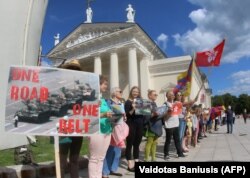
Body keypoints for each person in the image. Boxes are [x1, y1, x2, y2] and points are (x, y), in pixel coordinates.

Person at [59, 60, 84, 178]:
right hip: (63, 125)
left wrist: (95, 104)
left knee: (74, 158)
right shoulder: (61, 85)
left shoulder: (82, 86)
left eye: (76, 69)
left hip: (78, 125)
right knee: (62, 160)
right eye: (71, 69)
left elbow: (87, 105)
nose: (74, 71)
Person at [88, 75, 113, 178]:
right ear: (97, 84)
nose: (106, 86)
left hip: (107, 130)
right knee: (94, 158)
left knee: (101, 158)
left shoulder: (102, 100)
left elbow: (106, 113)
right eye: (104, 84)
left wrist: (116, 116)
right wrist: (103, 114)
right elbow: (89, 116)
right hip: (96, 131)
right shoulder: (91, 98)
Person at [102, 87, 127, 178]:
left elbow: (123, 114)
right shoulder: (108, 102)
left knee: (117, 151)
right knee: (110, 150)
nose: (121, 93)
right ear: (114, 93)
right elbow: (107, 114)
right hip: (111, 128)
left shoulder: (121, 103)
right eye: (120, 91)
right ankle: (105, 171)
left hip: (120, 128)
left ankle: (113, 169)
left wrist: (124, 117)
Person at [125, 86, 144, 171]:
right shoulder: (128, 102)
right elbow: (127, 115)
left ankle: (136, 160)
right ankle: (129, 163)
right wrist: (133, 107)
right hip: (131, 124)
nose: (135, 93)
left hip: (140, 124)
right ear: (131, 92)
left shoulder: (141, 101)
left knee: (137, 143)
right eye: (134, 91)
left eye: (137, 92)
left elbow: (144, 113)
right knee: (130, 143)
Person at [163, 90, 185, 160]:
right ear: (167, 96)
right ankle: (166, 154)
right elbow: (163, 115)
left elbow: (178, 112)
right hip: (169, 125)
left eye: (172, 94)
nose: (172, 96)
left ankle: (180, 153)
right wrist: (168, 112)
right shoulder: (165, 104)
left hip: (176, 123)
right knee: (168, 141)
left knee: (177, 140)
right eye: (170, 94)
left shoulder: (175, 103)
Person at [144, 89, 163, 162]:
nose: (156, 96)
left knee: (155, 142)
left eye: (156, 94)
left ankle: (153, 158)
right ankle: (146, 159)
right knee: (149, 142)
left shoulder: (154, 103)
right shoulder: (146, 103)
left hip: (156, 126)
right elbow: (145, 117)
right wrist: (153, 114)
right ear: (149, 95)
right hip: (150, 126)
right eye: (154, 94)